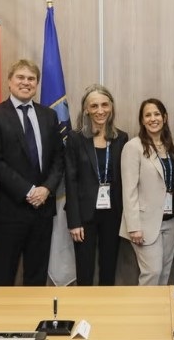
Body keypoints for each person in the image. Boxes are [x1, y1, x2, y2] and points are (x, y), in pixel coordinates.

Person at [0, 60, 65, 286]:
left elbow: (58, 158)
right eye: (20, 77)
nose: (26, 82)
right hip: (10, 210)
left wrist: (46, 189)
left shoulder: (49, 115)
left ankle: (35, 311)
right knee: (4, 276)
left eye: (31, 79)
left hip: (43, 210)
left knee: (37, 276)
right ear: (9, 82)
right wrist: (28, 191)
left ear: (37, 84)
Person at [65, 84, 128, 285]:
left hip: (113, 214)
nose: (100, 111)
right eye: (94, 106)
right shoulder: (75, 138)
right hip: (85, 215)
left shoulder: (121, 138)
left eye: (104, 105)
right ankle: (84, 306)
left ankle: (106, 305)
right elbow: (70, 181)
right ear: (86, 110)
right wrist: (74, 221)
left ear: (111, 107)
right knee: (85, 271)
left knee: (109, 269)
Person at [120, 98, 174, 285]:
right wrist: (133, 226)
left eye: (157, 114)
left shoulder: (170, 146)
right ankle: (144, 306)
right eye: (148, 115)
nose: (153, 119)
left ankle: (159, 307)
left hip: (170, 221)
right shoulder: (133, 147)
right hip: (145, 223)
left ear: (164, 117)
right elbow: (129, 190)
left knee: (165, 274)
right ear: (142, 120)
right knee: (152, 273)